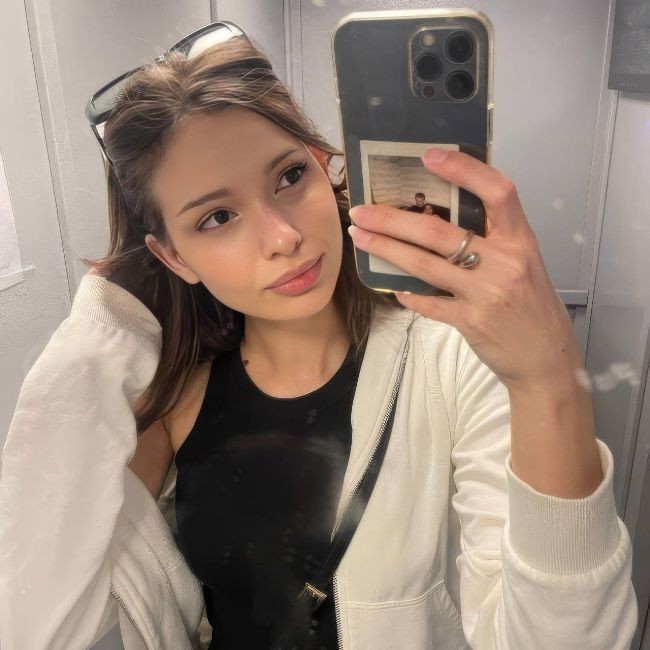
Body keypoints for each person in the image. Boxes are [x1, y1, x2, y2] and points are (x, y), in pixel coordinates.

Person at [0, 21, 638, 650]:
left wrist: (547, 379)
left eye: (288, 177)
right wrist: (106, 320)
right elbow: (42, 618)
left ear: (321, 162)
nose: (284, 237)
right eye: (217, 217)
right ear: (173, 257)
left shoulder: (452, 360)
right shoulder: (171, 405)